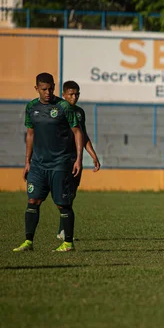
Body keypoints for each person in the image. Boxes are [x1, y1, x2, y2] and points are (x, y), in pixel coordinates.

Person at [13, 73, 83, 252]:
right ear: (36, 88)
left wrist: (78, 160)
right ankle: (28, 242)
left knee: (62, 204)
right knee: (33, 201)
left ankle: (68, 243)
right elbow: (30, 134)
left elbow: (77, 132)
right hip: (37, 164)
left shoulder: (63, 106)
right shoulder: (31, 107)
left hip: (60, 163)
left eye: (51, 88)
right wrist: (27, 161)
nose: (48, 92)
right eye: (44, 89)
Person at [56, 80, 101, 240]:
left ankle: (62, 231)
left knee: (71, 194)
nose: (74, 97)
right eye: (71, 94)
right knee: (60, 196)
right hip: (58, 158)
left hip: (74, 159)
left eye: (77, 94)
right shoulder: (57, 110)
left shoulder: (80, 112)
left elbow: (83, 135)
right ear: (63, 95)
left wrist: (93, 155)